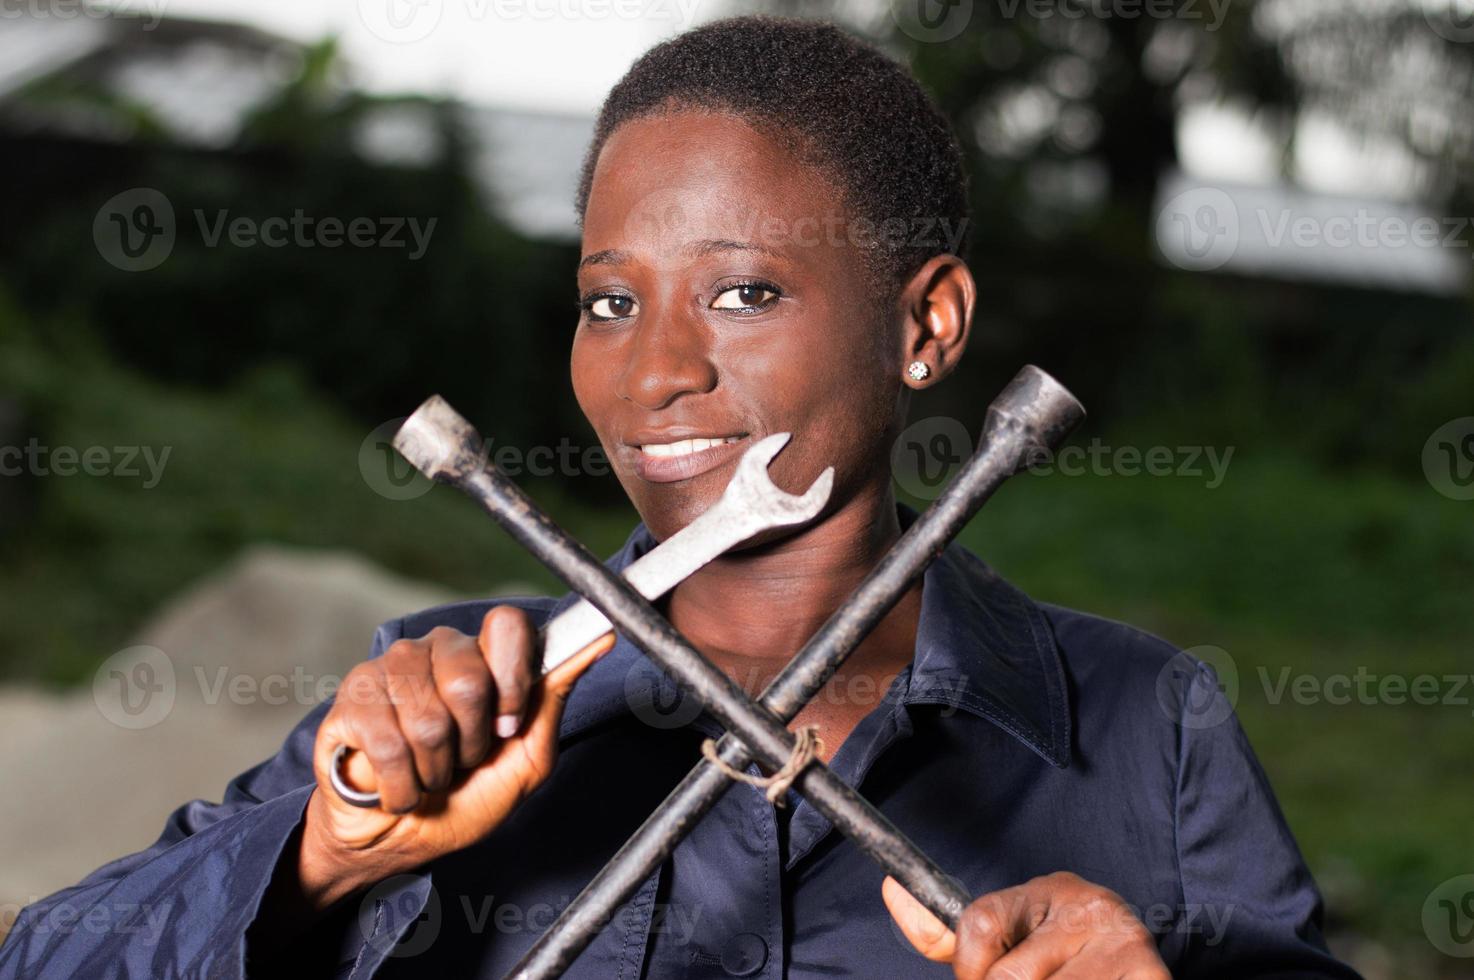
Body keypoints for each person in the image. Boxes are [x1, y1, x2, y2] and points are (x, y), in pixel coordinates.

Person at [0, 16, 1360, 979]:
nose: (653, 370)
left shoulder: (1144, 726)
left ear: (925, 325)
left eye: (744, 292)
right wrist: (323, 860)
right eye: (607, 301)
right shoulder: (437, 705)